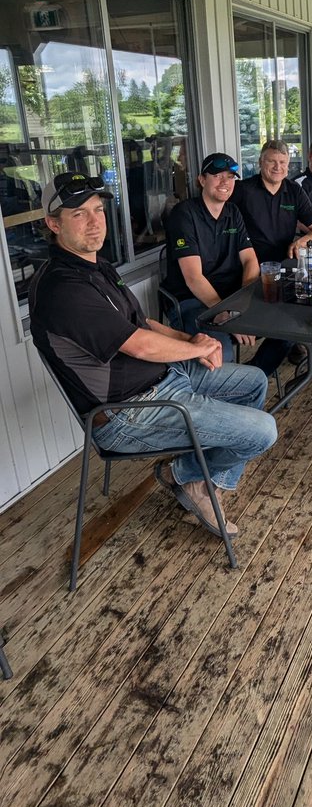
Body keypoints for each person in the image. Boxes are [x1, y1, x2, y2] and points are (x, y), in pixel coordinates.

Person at [29, 171, 277, 536]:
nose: (95, 223)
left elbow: (141, 322)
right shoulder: (61, 288)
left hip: (163, 378)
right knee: (262, 431)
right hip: (128, 413)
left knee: (254, 381)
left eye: (97, 210)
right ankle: (187, 476)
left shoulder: (96, 265)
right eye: (79, 214)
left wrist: (192, 342)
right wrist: (193, 347)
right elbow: (139, 344)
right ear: (53, 223)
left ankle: (200, 480)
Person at [233, 139, 312, 374]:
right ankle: (256, 374)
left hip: (285, 271)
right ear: (260, 163)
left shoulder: (293, 190)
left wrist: (301, 241)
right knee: (290, 323)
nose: (278, 167)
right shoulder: (242, 191)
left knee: (306, 312)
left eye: (283, 162)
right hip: (249, 275)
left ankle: (258, 370)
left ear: (288, 165)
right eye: (272, 161)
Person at [163, 152, 258, 360]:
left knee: (282, 326)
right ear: (201, 180)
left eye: (230, 176)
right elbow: (193, 279)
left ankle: (257, 374)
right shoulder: (184, 214)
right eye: (217, 175)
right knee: (220, 351)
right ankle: (225, 388)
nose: (225, 182)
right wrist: (226, 315)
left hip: (229, 297)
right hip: (190, 301)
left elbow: (250, 260)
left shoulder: (233, 212)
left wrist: (242, 302)